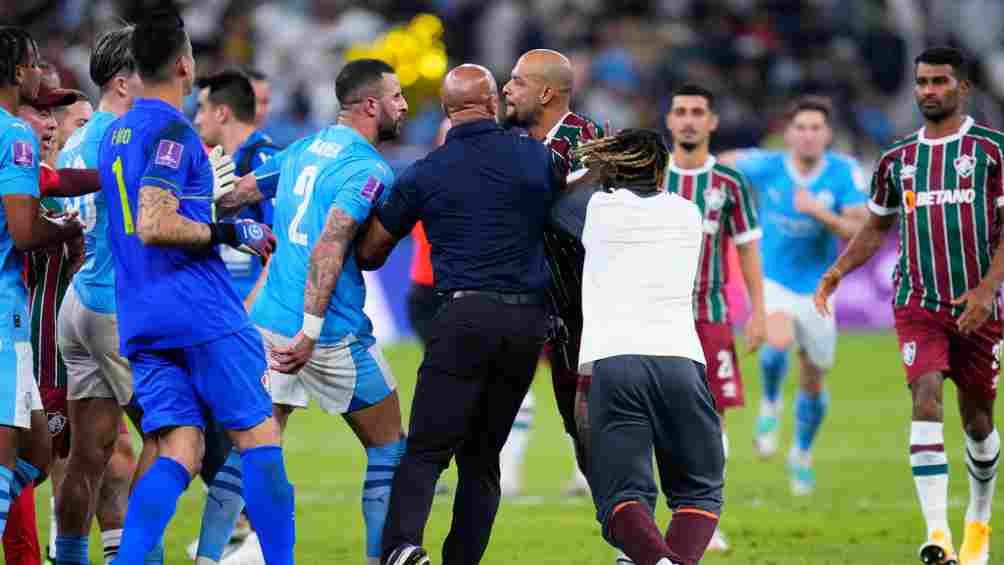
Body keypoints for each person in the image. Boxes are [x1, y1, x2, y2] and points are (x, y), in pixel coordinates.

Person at [96, 10, 293, 564]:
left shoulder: (116, 133)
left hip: (140, 313)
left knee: (180, 446)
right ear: (185, 64)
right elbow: (156, 221)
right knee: (259, 438)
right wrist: (233, 229)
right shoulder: (174, 132)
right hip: (198, 308)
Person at [356, 63, 558, 565]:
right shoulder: (537, 159)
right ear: (492, 103)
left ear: (446, 112)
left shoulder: (427, 172)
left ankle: (402, 548)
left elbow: (372, 251)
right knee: (482, 459)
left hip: (463, 316)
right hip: (525, 326)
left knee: (425, 451)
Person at [217, 58, 409, 565]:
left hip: (267, 323)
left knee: (256, 448)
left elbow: (240, 192)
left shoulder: (303, 148)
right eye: (397, 96)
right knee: (390, 448)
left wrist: (203, 205)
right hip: (323, 334)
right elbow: (332, 242)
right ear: (371, 105)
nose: (404, 105)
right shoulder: (367, 168)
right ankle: (379, 559)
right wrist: (311, 330)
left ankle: (222, 554)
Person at [815, 46, 1000, 565]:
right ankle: (938, 535)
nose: (928, 90)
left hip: (978, 309)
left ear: (962, 88)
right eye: (921, 82)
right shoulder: (898, 159)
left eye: (940, 81)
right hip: (917, 302)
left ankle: (978, 524)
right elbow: (876, 226)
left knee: (978, 422)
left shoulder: (991, 152)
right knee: (923, 398)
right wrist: (835, 273)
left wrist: (986, 290)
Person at [573, 128, 723, 565]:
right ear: (661, 170)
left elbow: (554, 204)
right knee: (700, 490)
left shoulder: (595, 208)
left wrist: (593, 171)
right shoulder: (688, 211)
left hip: (615, 363)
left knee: (622, 496)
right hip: (680, 359)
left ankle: (655, 560)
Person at [719, 95, 867, 495]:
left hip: (819, 287)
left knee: (814, 378)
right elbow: (722, 161)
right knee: (777, 338)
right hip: (773, 278)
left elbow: (859, 230)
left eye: (815, 128)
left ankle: (801, 453)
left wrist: (820, 214)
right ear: (787, 134)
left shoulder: (844, 172)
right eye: (800, 128)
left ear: (827, 135)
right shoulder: (767, 165)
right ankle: (769, 402)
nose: (807, 135)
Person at [52, 26, 150, 565]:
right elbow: (146, 231)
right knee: (176, 440)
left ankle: (71, 556)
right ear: (121, 81)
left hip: (78, 302)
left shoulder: (78, 140)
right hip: (116, 305)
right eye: (149, 72)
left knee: (89, 457)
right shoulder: (123, 137)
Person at [659, 82, 765, 554]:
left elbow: (747, 249)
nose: (688, 120)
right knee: (660, 420)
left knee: (711, 420)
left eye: (697, 111)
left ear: (712, 122)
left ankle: (706, 516)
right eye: (680, 111)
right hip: (657, 317)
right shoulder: (651, 176)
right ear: (668, 120)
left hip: (711, 316)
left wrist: (759, 311)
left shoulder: (729, 183)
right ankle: (670, 513)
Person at [499, 48, 604, 498]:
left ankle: (630, 523)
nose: (506, 87)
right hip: (527, 302)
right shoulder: (515, 142)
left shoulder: (589, 141)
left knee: (588, 426)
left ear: (545, 92)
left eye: (517, 81)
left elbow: (574, 215)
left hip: (581, 308)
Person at [190, 67, 279, 565]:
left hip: (245, 318)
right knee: (210, 428)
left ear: (221, 111)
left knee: (243, 431)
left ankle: (255, 539)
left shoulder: (262, 161)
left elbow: (278, 245)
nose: (196, 117)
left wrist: (251, 308)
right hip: (215, 315)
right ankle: (242, 533)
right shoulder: (215, 162)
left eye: (202, 108)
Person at [0, 25, 84, 540]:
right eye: (33, 64)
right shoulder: (14, 136)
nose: (38, 73)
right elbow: (26, 230)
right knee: (9, 456)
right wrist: (68, 227)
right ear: (15, 72)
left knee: (37, 450)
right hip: (4, 311)